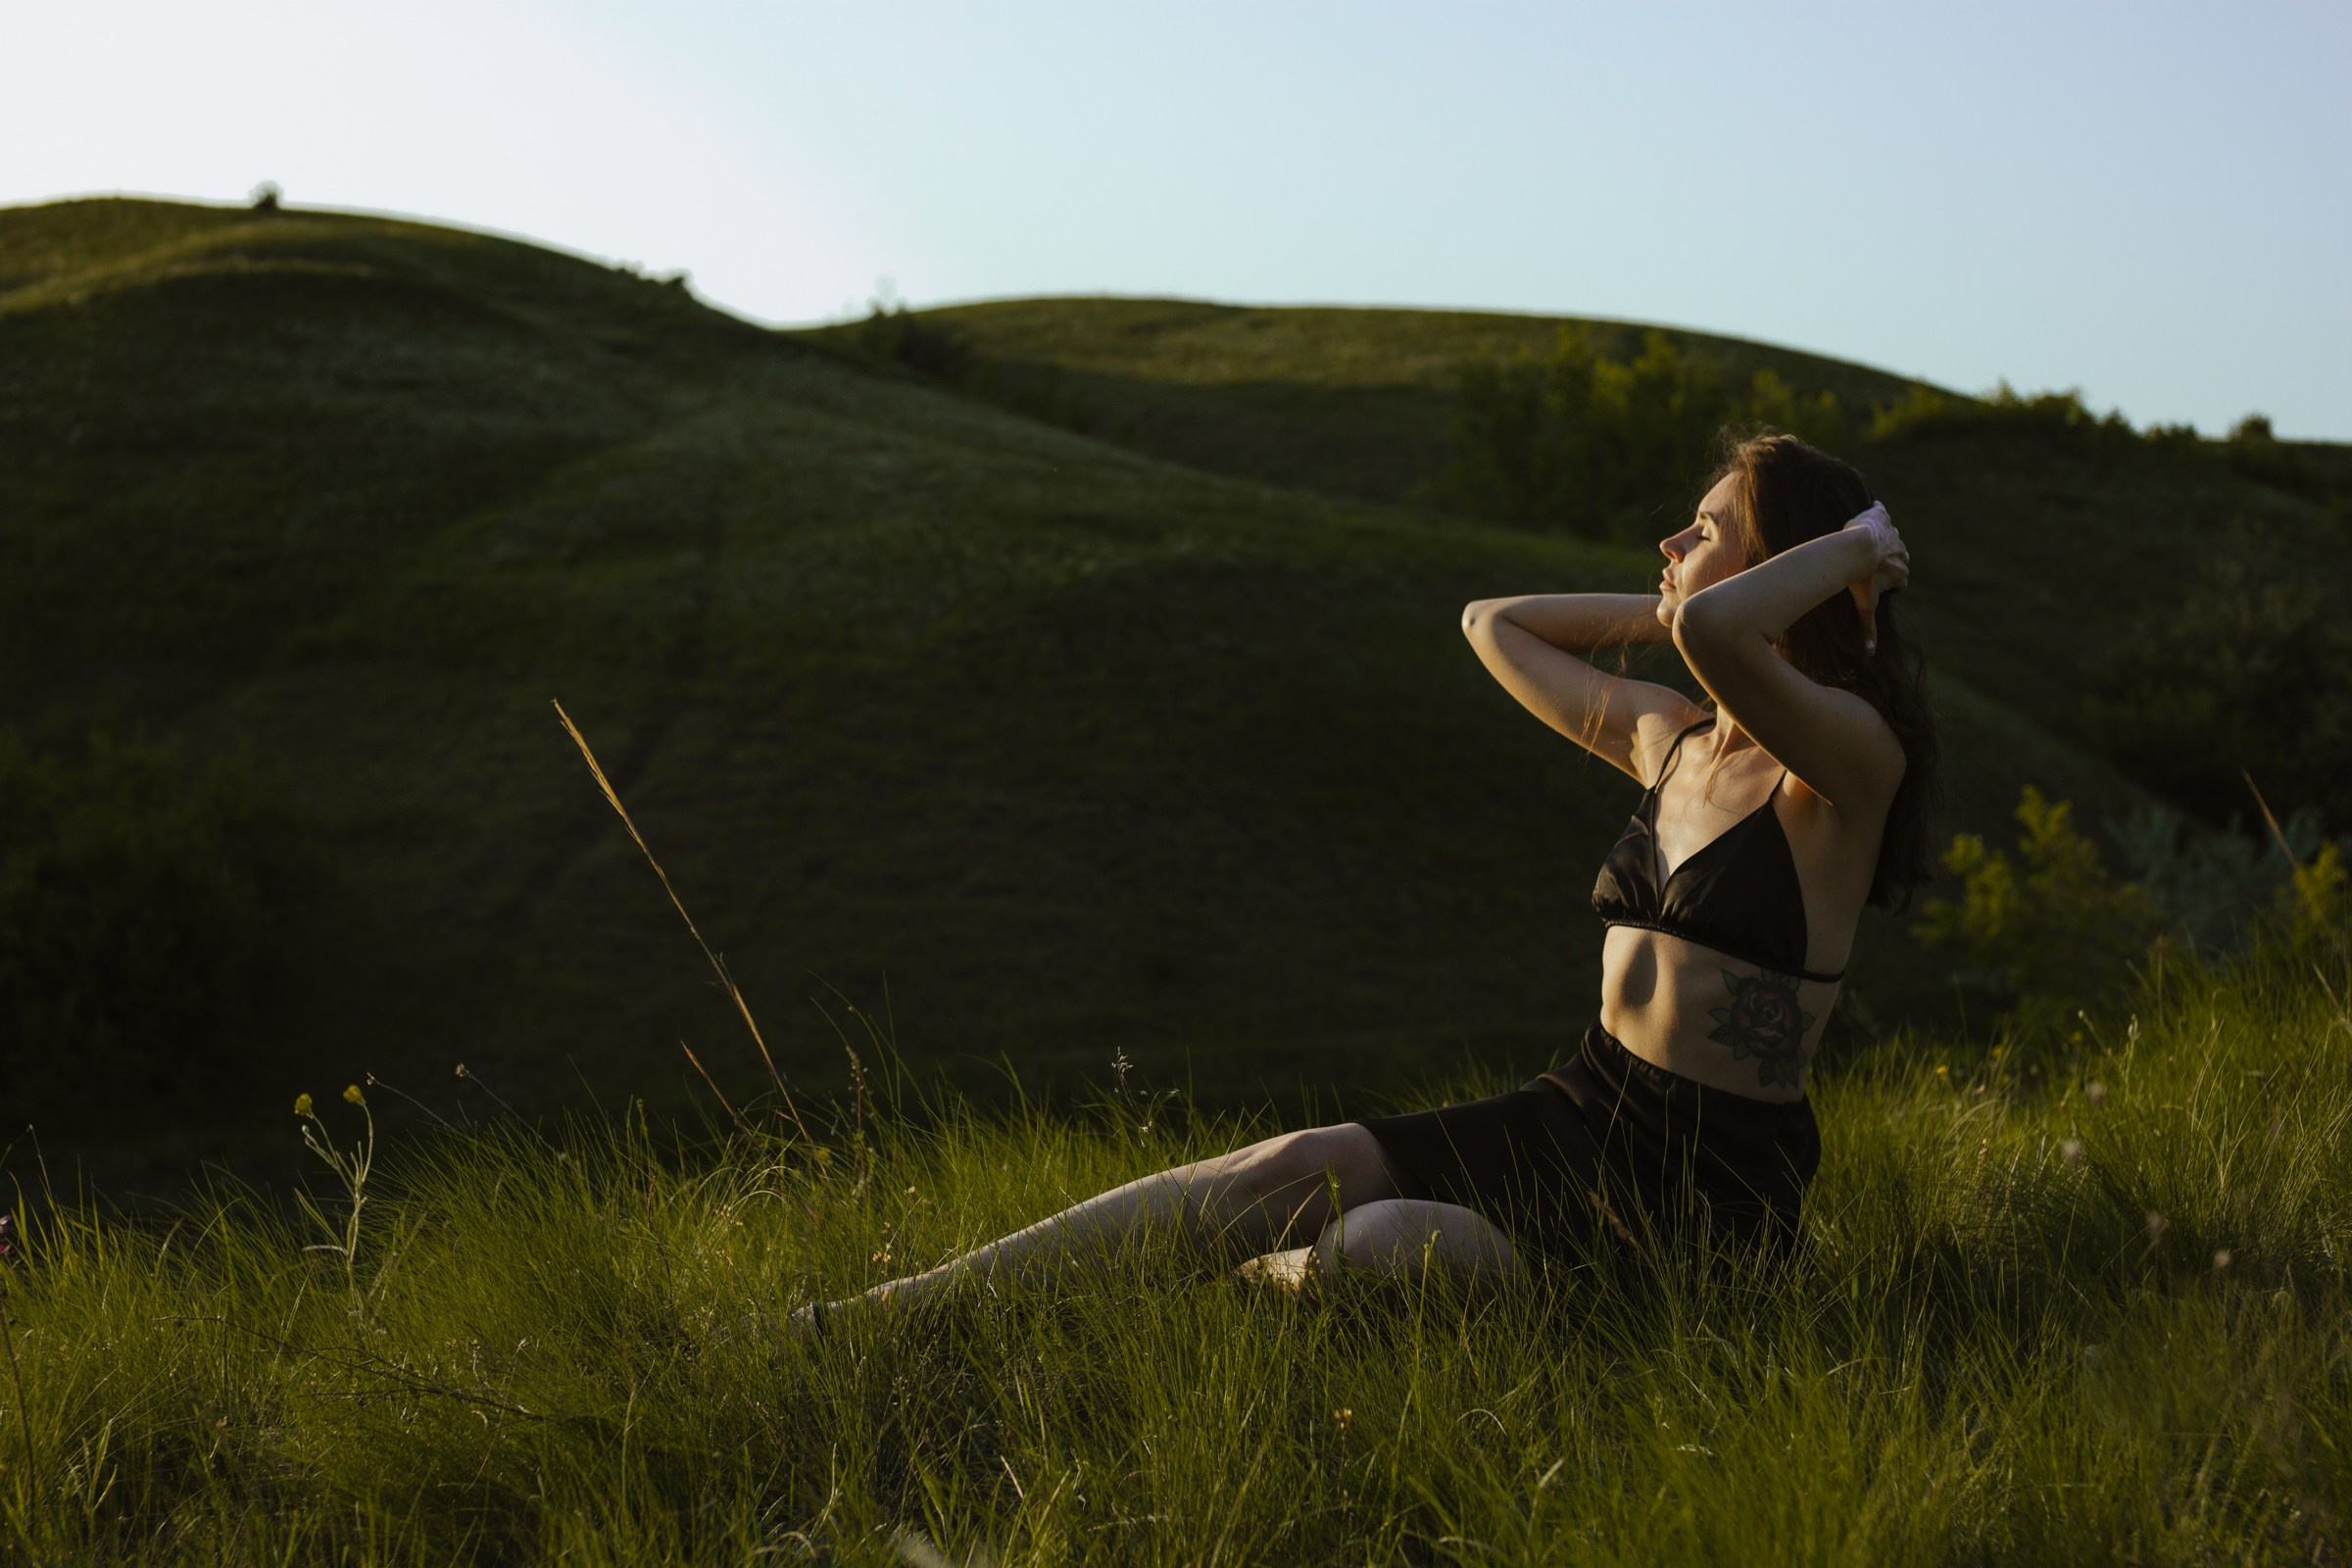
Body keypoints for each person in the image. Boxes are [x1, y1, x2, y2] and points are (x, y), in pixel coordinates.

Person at [798, 430, 1936, 1325]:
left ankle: (1234, 1288)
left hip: (1702, 1197)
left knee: (1381, 1250)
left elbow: (1726, 640)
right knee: (1301, 1161)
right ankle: (888, 1313)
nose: (1670, 546)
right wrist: (1679, 608)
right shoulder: (1671, 737)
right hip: (1582, 1106)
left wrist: (1845, 558)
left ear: (1781, 565)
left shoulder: (1843, 768)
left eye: (1703, 529)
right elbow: (1494, 623)